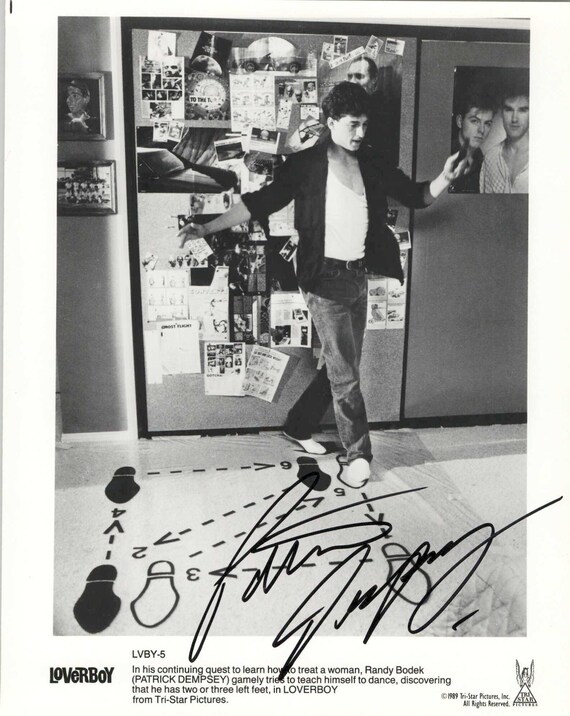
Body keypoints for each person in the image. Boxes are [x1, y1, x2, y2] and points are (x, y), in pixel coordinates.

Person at [177, 82, 468, 488]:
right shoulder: (305, 165)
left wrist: (443, 179)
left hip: (357, 276)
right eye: (352, 125)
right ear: (331, 122)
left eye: (365, 124)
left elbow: (415, 196)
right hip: (322, 279)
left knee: (341, 365)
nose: (360, 133)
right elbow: (259, 203)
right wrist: (206, 227)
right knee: (346, 374)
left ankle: (298, 424)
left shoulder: (372, 162)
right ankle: (358, 456)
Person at [480, 79, 529, 193]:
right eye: (509, 109)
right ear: (501, 112)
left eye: (522, 110)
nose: (514, 119)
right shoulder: (490, 158)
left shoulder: (544, 158)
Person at [448, 87, 496, 193]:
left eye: (487, 124)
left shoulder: (485, 163)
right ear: (459, 121)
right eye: (475, 121)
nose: (481, 130)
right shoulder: (445, 156)